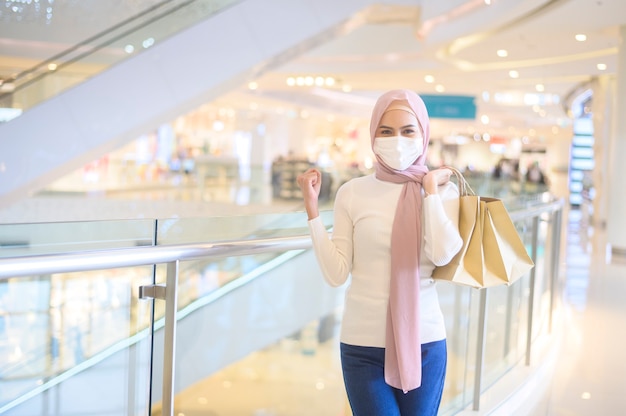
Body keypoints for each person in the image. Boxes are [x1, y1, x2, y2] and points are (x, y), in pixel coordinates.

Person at [297, 89, 463, 416]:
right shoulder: (352, 193)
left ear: (424, 134)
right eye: (386, 131)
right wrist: (313, 212)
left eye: (408, 130)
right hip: (362, 346)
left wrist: (428, 191)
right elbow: (336, 274)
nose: (397, 140)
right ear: (373, 135)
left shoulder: (444, 191)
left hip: (425, 342)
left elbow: (443, 254)